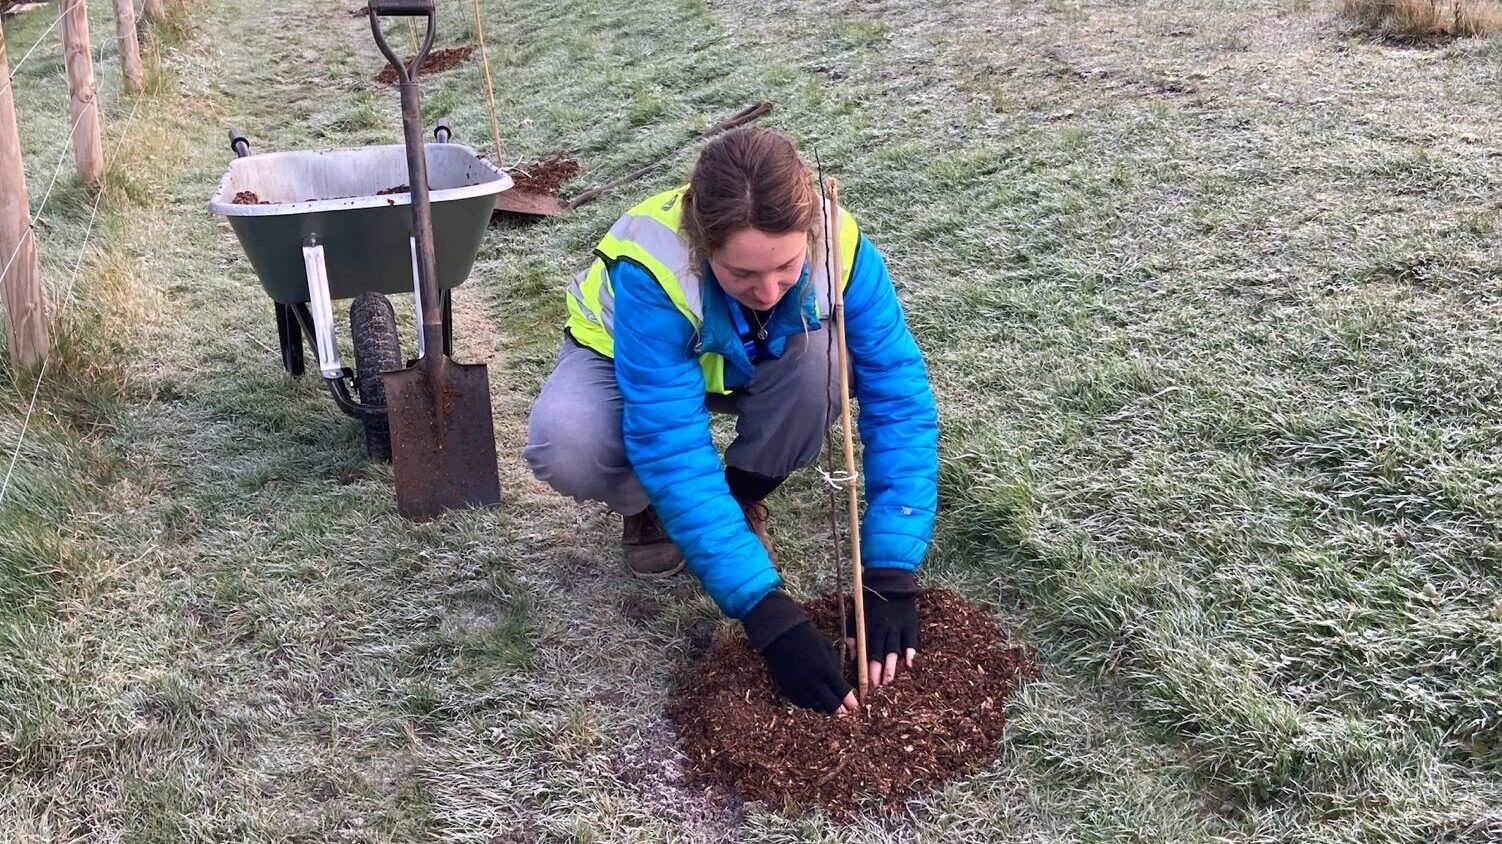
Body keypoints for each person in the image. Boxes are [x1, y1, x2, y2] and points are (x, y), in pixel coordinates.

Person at [524, 127, 938, 715]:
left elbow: (898, 396)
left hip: (755, 360)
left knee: (825, 361)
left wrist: (890, 568)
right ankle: (648, 507)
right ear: (702, 248)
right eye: (742, 274)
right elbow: (671, 440)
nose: (768, 290)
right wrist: (766, 615)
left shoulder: (841, 246)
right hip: (627, 364)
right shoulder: (656, 267)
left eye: (787, 267)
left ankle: (740, 496)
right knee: (570, 441)